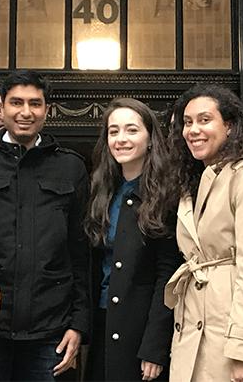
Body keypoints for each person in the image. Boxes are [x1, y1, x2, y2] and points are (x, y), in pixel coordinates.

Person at [0, 70, 90, 381]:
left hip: (50, 330)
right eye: (16, 103)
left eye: (35, 104)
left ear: (47, 110)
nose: (26, 112)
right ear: (3, 108)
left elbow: (79, 252)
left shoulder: (71, 167)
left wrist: (78, 324)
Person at [164, 84, 243, 381]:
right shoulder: (193, 181)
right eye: (188, 122)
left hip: (236, 330)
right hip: (197, 325)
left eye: (205, 120)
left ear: (229, 126)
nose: (193, 129)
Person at [83, 98, 181, 381]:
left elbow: (168, 275)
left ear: (150, 138)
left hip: (140, 330)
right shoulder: (102, 191)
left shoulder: (167, 194)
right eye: (113, 132)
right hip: (102, 322)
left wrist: (154, 347)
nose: (121, 139)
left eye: (131, 130)